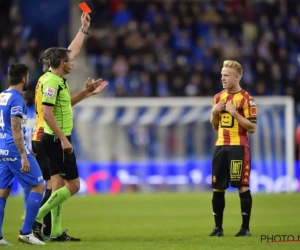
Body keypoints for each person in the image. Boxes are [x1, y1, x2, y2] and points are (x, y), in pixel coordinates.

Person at [31, 12, 107, 241]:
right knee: (72, 186)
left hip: (47, 135)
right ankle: (34, 222)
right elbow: (47, 113)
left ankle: (54, 231)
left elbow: (71, 52)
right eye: (70, 60)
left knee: (57, 186)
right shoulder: (53, 82)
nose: (73, 61)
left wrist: (86, 92)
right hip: (53, 137)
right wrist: (63, 139)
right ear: (62, 63)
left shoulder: (50, 77)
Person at [209, 60, 257, 237]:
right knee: (217, 187)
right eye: (222, 75)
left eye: (226, 75)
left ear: (237, 77)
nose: (222, 78)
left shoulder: (247, 99)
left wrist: (234, 112)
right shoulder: (217, 97)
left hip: (238, 147)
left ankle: (245, 228)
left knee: (241, 186)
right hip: (221, 146)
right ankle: (218, 228)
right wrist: (214, 112)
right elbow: (215, 126)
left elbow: (252, 127)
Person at [0, 64, 45, 245]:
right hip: (13, 149)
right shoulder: (17, 99)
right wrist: (23, 155)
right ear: (24, 79)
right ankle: (26, 232)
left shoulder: (2, 95)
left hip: (2, 147)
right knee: (38, 186)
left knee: (2, 191)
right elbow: (16, 128)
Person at [21, 86, 36, 220]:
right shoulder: (22, 111)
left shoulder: (38, 111)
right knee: (27, 185)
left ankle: (35, 212)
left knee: (39, 184)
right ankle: (27, 211)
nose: (28, 95)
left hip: (39, 152)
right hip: (26, 152)